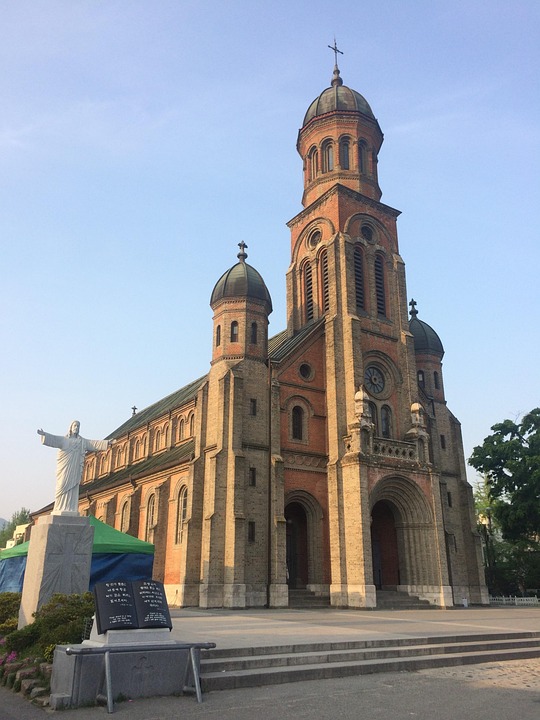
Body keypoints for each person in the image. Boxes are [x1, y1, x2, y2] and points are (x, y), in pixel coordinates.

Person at [37, 421, 111, 515]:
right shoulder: (64, 440)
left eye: (78, 426)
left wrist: (107, 442)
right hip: (65, 468)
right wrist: (44, 435)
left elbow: (94, 444)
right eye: (75, 425)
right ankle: (60, 507)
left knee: (73, 488)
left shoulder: (82, 441)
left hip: (75, 469)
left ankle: (71, 508)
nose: (77, 427)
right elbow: (54, 439)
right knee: (62, 485)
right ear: (71, 427)